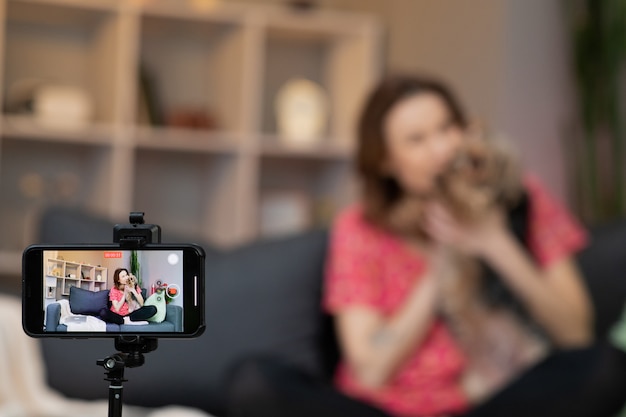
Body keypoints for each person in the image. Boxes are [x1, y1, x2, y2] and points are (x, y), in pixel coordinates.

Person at [224, 74, 626, 417]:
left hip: (486, 405)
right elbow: (371, 370)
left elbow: (576, 335)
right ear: (386, 161)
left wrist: (492, 240)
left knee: (607, 367)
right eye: (416, 140)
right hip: (381, 411)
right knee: (254, 383)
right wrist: (442, 264)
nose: (442, 149)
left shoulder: (523, 201)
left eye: (447, 127)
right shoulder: (361, 229)